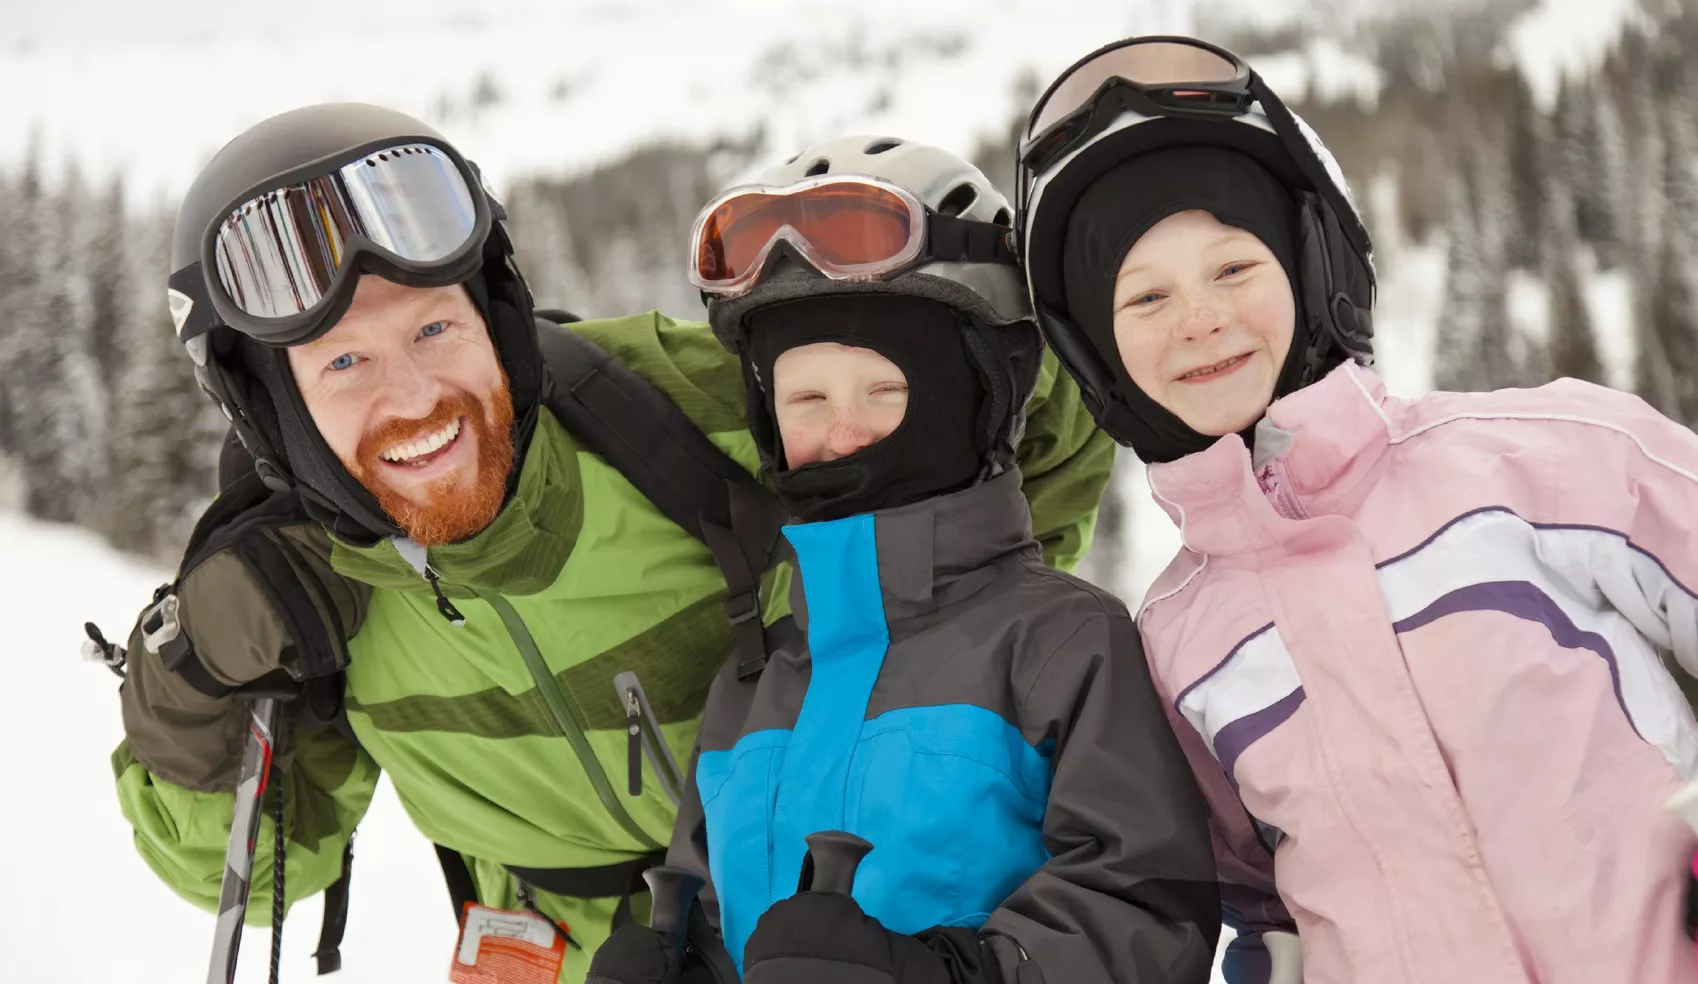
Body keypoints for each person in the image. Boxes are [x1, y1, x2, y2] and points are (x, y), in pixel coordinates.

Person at [109, 103, 1116, 984]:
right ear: (274, 412)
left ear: (495, 320)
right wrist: (192, 689)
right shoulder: (310, 593)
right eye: (344, 365)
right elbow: (250, 868)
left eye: (433, 332)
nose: (413, 400)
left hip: (852, 932)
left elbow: (1033, 475)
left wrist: (975, 325)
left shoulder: (689, 420)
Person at [1016, 33, 1698, 984]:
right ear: (1097, 356)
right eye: (1145, 297)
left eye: (1232, 269)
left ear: (1311, 261)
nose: (1198, 318)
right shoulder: (1175, 643)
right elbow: (1262, 914)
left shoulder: (1543, 458)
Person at [585, 136, 1220, 984]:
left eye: (883, 392)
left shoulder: (1061, 646)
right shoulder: (754, 681)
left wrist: (953, 976)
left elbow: (1146, 908)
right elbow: (714, 909)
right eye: (805, 399)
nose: (840, 433)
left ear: (976, 398)